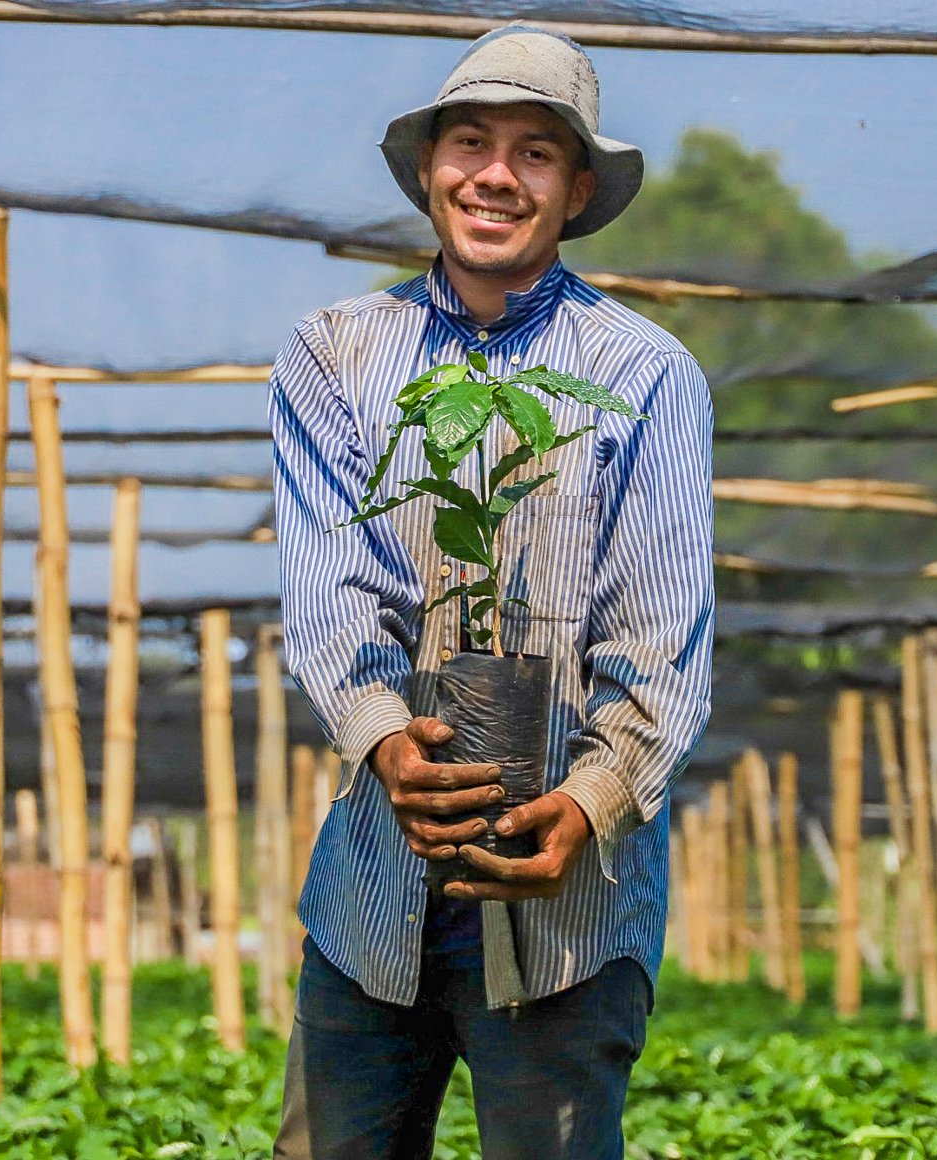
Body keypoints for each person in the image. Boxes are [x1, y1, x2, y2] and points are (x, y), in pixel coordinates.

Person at [270, 23, 714, 1159]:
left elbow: (661, 636)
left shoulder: (644, 373)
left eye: (536, 153)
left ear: (574, 192)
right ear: (429, 169)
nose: (496, 175)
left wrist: (593, 797)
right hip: (376, 881)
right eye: (471, 142)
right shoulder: (335, 354)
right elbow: (332, 590)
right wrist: (384, 739)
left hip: (569, 906)